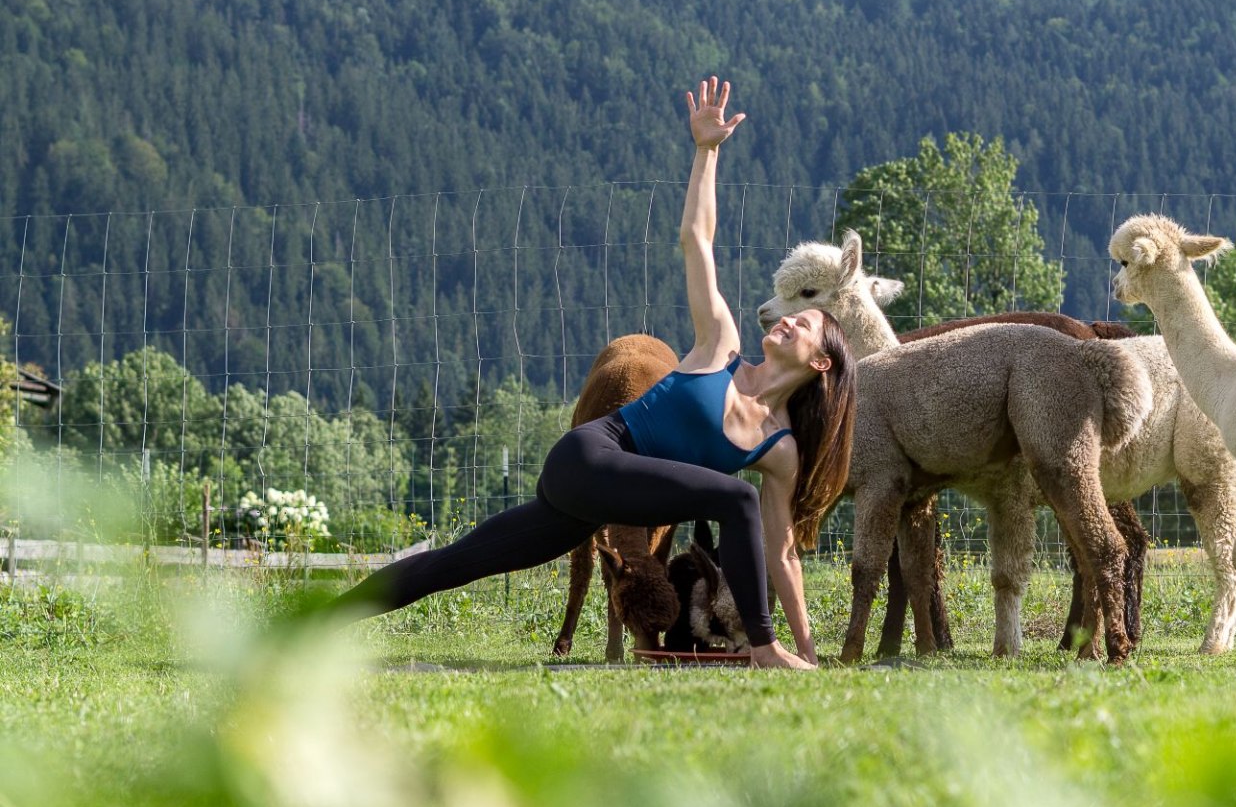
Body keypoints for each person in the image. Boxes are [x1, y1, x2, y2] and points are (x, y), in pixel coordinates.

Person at [332, 78, 853, 669]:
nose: (785, 321)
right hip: (587, 458)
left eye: (803, 324)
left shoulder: (779, 449)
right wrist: (705, 151)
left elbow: (782, 555)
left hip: (590, 500)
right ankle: (764, 651)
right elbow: (697, 240)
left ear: (821, 362)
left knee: (456, 562)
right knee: (734, 497)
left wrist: (810, 652)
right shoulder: (720, 347)